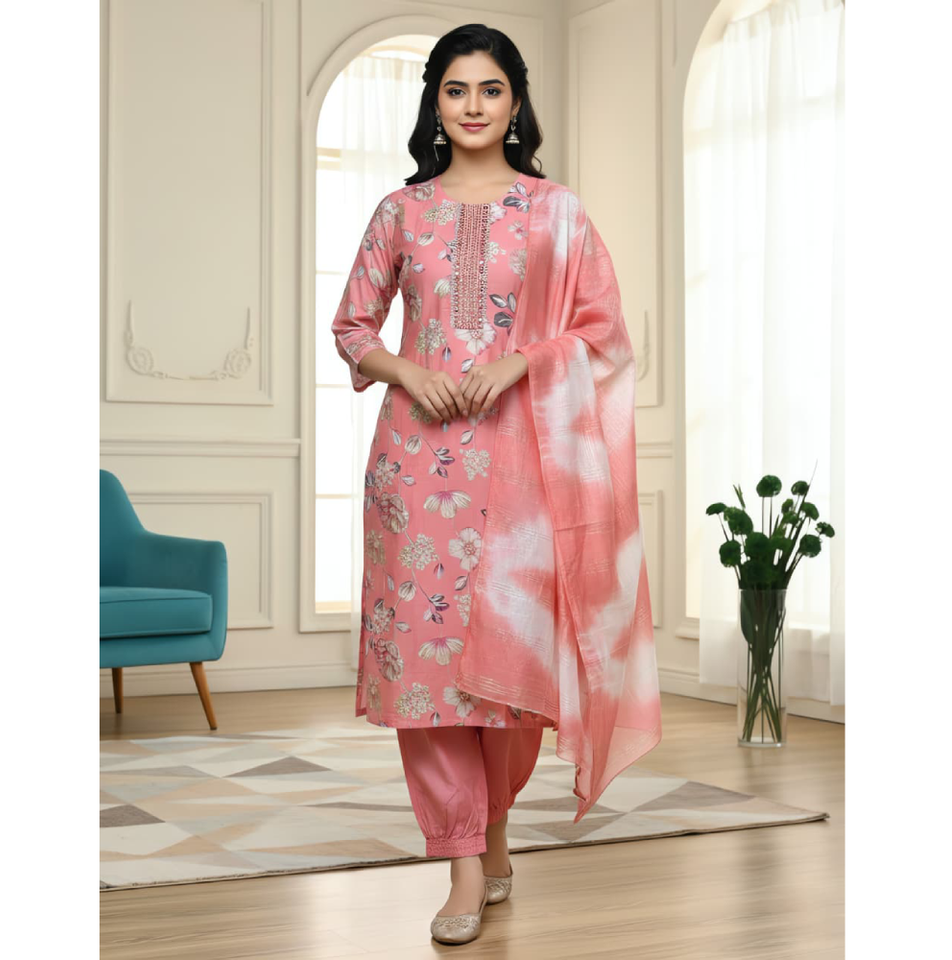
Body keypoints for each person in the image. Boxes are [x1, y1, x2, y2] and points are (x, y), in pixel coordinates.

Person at [331, 23, 661, 946]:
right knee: (426, 674)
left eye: (490, 90)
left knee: (512, 678)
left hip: (525, 473)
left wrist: (523, 362)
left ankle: (497, 825)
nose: (472, 107)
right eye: (455, 90)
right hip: (414, 468)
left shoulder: (557, 212)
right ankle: (463, 865)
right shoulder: (400, 213)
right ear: (434, 103)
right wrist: (408, 371)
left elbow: (602, 331)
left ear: (515, 102)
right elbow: (353, 327)